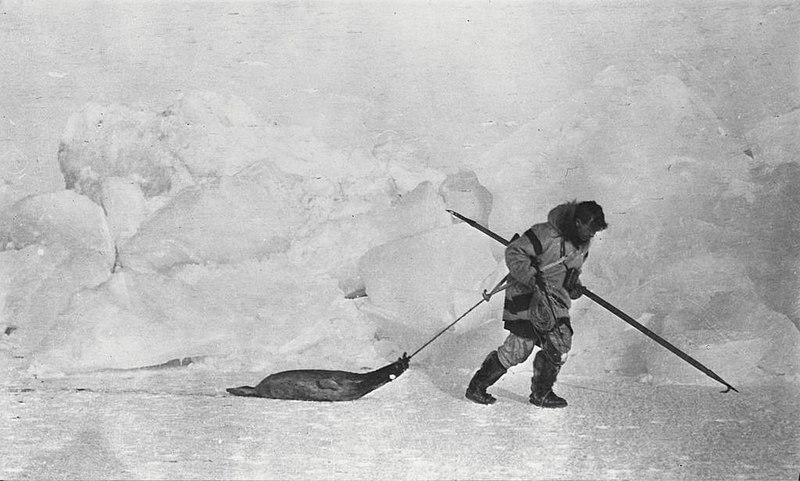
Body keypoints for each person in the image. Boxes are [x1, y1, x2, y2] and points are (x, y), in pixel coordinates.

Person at [465, 200, 608, 408]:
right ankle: (477, 386)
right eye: (590, 229)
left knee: (559, 342)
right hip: (526, 293)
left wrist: (573, 286)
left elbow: (567, 272)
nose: (592, 235)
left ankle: (542, 393)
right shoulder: (545, 234)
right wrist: (532, 276)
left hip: (553, 299)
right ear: (577, 222)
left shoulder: (582, 245)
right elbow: (514, 253)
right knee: (520, 347)